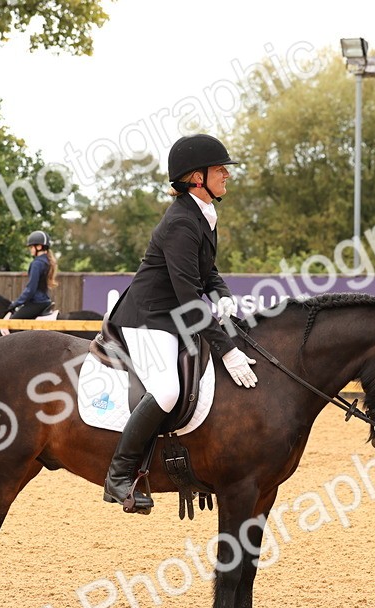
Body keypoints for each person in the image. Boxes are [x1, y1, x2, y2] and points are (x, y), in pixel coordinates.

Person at [102, 133, 258, 513]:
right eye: (220, 169)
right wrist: (228, 351)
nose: (227, 175)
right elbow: (189, 300)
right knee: (168, 390)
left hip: (172, 317)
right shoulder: (181, 223)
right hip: (148, 318)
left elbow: (207, 272)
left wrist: (221, 294)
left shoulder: (201, 214)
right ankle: (119, 475)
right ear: (197, 177)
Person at [7, 232, 57, 319]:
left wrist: (16, 303)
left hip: (37, 302)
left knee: (12, 321)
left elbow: (31, 289)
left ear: (39, 247)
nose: (30, 250)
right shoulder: (47, 261)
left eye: (31, 247)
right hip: (45, 301)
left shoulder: (37, 264)